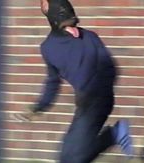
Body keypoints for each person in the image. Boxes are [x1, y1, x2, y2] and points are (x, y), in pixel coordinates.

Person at [11, 0, 134, 162]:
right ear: (54, 23)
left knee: (74, 159)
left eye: (74, 22)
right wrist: (39, 107)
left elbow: (111, 68)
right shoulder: (48, 48)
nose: (74, 29)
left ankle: (113, 135)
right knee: (66, 157)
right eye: (67, 24)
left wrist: (93, 88)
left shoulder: (90, 37)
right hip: (84, 104)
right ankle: (114, 134)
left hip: (100, 99)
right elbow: (53, 83)